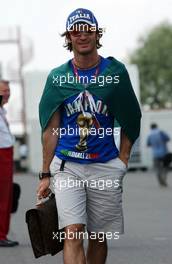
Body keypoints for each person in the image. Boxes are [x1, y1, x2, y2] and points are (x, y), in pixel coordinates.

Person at [37, 8, 141, 264]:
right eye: (76, 31)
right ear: (68, 37)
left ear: (97, 34)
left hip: (105, 164)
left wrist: (123, 159)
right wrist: (45, 173)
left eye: (88, 30)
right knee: (72, 233)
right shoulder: (58, 78)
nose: (82, 35)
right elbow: (51, 129)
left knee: (98, 236)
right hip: (67, 166)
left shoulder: (114, 73)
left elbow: (131, 117)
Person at [0, 80, 19, 247]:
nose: (7, 94)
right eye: (3, 91)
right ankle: (0, 234)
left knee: (7, 196)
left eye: (8, 91)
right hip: (1, 155)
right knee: (2, 197)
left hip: (6, 154)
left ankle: (2, 233)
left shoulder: (2, 111)